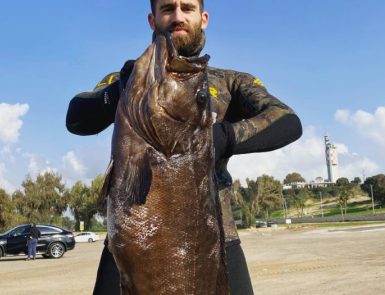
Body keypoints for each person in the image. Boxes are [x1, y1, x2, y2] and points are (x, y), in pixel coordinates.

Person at [66, 0, 302, 294]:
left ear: (203, 18)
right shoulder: (127, 77)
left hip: (216, 241)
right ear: (153, 20)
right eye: (167, 9)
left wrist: (219, 138)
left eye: (187, 8)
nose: (177, 17)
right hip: (132, 239)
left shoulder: (231, 81)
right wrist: (119, 91)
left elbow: (288, 121)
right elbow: (76, 118)